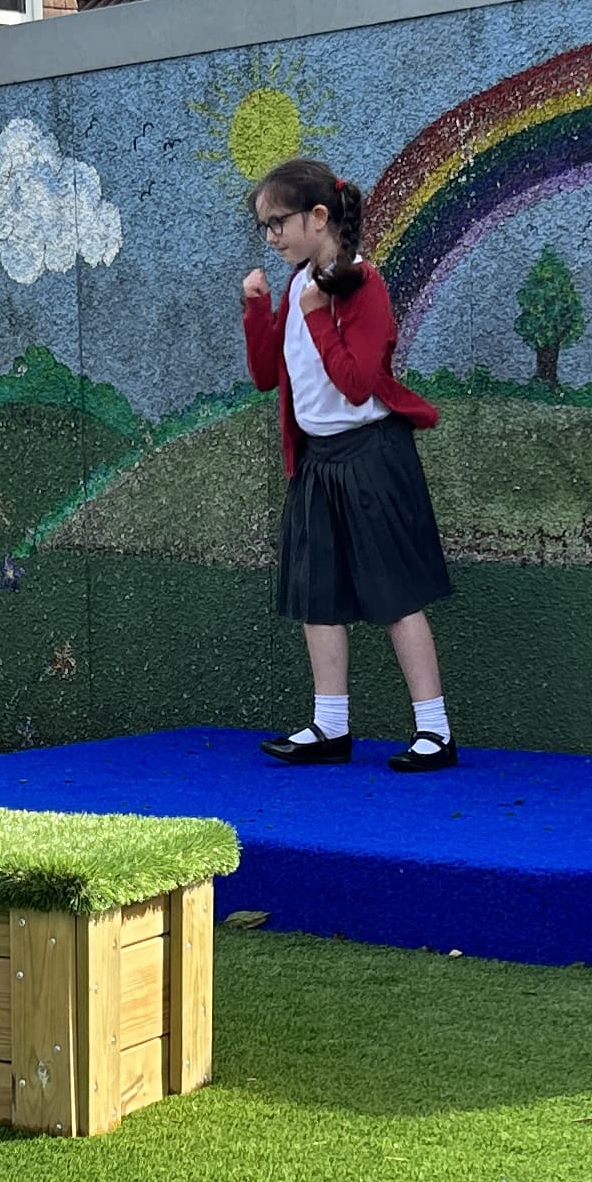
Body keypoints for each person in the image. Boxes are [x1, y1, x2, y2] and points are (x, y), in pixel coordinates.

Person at [240, 155, 456, 771]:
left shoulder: (363, 284)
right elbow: (266, 376)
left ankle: (434, 730)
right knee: (318, 594)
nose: (273, 236)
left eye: (278, 222)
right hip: (318, 459)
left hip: (371, 457)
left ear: (317, 216)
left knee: (394, 594)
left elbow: (359, 384)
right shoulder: (296, 284)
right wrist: (260, 309)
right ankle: (330, 725)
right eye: (265, 228)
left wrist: (314, 314)